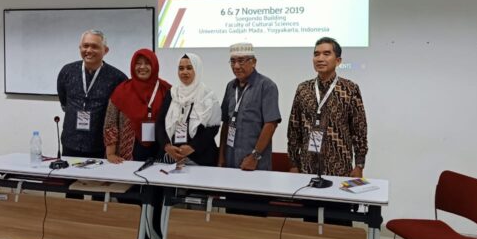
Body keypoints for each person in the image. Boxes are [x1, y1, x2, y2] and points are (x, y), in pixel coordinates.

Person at [287, 37, 368, 178]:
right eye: (316, 54)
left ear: (338, 60)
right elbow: (294, 128)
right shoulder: (303, 89)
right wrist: (293, 163)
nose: (320, 58)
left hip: (339, 167)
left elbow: (359, 129)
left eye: (326, 54)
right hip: (307, 167)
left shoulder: (349, 89)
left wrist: (359, 165)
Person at [57, 30, 127, 159]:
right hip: (70, 142)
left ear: (105, 50)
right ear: (80, 48)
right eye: (85, 46)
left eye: (94, 46)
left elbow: (119, 115)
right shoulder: (67, 71)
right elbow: (64, 101)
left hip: (101, 146)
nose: (88, 50)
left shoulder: (117, 78)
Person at [219, 42, 281, 171]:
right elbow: (226, 123)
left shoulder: (266, 86)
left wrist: (254, 157)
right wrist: (221, 156)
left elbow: (271, 125)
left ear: (254, 62)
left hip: (255, 164)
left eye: (241, 61)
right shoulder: (230, 86)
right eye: (233, 61)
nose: (236, 66)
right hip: (230, 160)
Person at [104, 48, 171, 163]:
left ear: (154, 66)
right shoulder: (122, 90)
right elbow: (110, 123)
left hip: (161, 154)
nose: (142, 67)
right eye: (138, 63)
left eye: (147, 63)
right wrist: (110, 153)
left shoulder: (166, 90)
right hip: (126, 156)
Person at [156, 53, 221, 166]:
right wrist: (167, 146)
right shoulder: (172, 93)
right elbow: (160, 122)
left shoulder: (208, 95)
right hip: (173, 156)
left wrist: (192, 147)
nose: (184, 72)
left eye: (189, 68)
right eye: (181, 68)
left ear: (197, 69)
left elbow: (213, 128)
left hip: (200, 158)